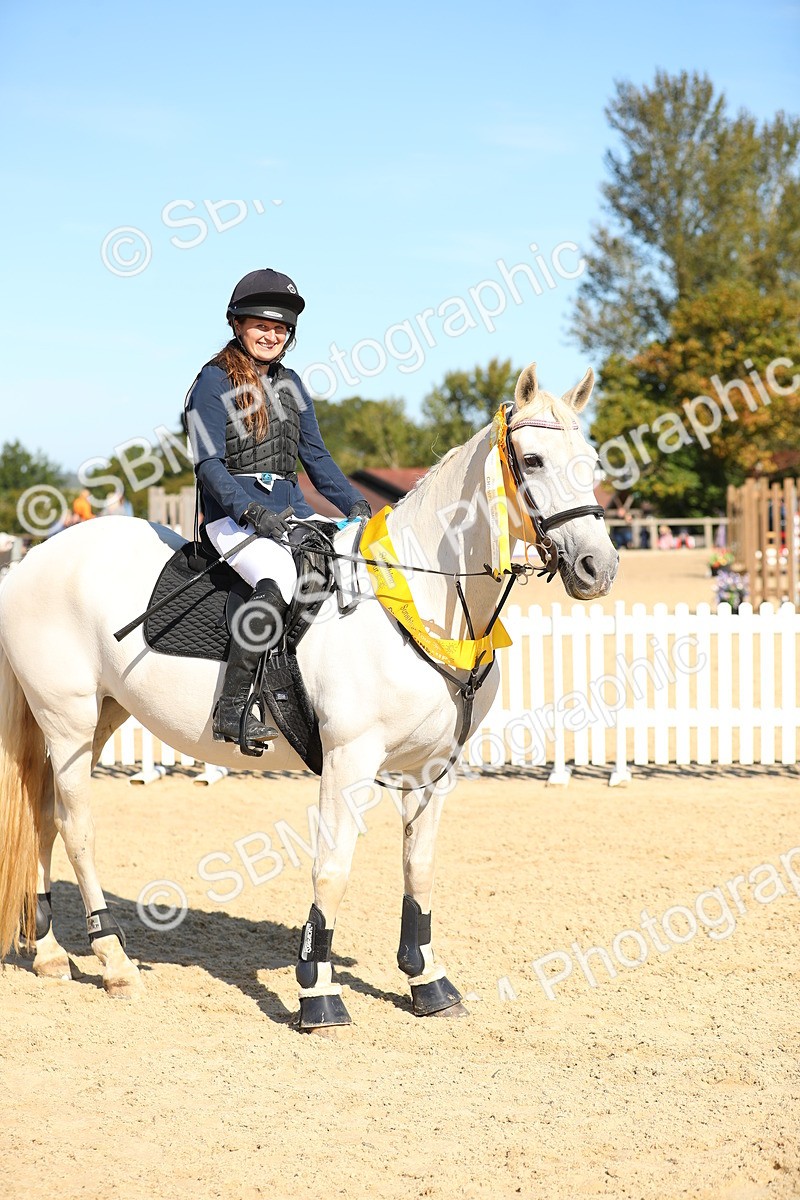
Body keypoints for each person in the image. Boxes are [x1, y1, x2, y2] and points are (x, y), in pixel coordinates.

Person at [184, 268, 370, 747]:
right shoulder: (211, 381)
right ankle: (232, 710)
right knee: (280, 579)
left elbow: (316, 456)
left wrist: (354, 502)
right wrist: (248, 512)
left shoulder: (291, 384)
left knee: (349, 564)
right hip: (232, 517)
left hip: (289, 510)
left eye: (280, 328)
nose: (271, 334)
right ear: (237, 324)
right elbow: (208, 462)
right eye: (261, 325)